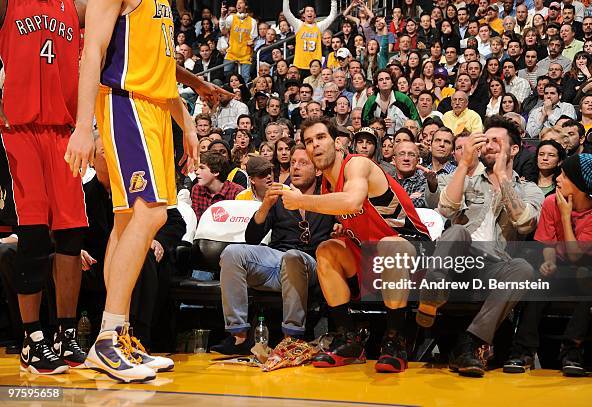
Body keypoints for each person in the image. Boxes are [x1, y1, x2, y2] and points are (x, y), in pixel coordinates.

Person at [65, 0, 230, 383]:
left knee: (126, 222)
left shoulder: (162, 4)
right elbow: (92, 53)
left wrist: (186, 120)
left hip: (154, 108)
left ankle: (117, 337)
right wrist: (81, 126)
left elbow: (159, 67)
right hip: (126, 104)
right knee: (151, 213)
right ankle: (107, 337)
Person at [276, 118, 430, 373]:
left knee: (390, 246)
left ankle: (395, 341)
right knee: (326, 250)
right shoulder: (326, 181)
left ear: (337, 142)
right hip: (373, 254)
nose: (315, 145)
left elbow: (352, 202)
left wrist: (302, 201)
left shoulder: (356, 164)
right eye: (309, 141)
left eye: (321, 138)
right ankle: (348, 338)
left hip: (413, 249)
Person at [0, 0, 91, 375]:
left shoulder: (77, 6)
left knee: (71, 236)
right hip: (17, 131)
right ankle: (31, 337)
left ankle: (66, 333)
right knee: (34, 238)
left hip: (62, 134)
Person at [419, 116, 544, 377]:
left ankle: (470, 343)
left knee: (522, 268)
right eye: (485, 141)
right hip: (456, 263)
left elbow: (524, 223)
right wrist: (464, 164)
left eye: (496, 142)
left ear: (514, 149)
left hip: (494, 267)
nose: (488, 146)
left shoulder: (530, 189)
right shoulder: (469, 180)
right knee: (457, 232)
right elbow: (445, 208)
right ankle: (432, 292)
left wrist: (501, 176)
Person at [211, 145, 335, 354]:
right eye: (293, 162)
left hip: (312, 264)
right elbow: (251, 238)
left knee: (293, 257)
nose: (295, 167)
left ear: (318, 170)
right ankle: (238, 336)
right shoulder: (279, 196)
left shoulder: (328, 197)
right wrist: (266, 205)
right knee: (232, 253)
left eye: (303, 163)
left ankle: (292, 337)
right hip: (275, 261)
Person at [504, 154, 592, 377]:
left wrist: (565, 215)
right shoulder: (552, 201)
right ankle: (523, 350)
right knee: (538, 280)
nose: (558, 179)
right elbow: (547, 243)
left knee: (585, 278)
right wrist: (549, 263)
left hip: (587, 269)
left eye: (564, 175)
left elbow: (575, 256)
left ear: (580, 184)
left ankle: (572, 350)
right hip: (560, 269)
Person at [283, 0, 338, 75]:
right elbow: (286, 12)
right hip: (299, 65)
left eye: (312, 11)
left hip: (315, 67)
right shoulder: (298, 25)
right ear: (304, 15)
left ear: (315, 15)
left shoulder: (319, 26)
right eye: (307, 11)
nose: (309, 13)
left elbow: (332, 16)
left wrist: (334, 1)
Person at [220, 0, 258, 83]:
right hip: (232, 53)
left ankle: (245, 94)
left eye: (241, 3)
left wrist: (252, 43)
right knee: (226, 74)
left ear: (246, 6)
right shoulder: (231, 18)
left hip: (245, 54)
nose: (238, 5)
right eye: (237, 3)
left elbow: (254, 39)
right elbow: (223, 31)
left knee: (245, 77)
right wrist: (223, 16)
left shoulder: (252, 21)